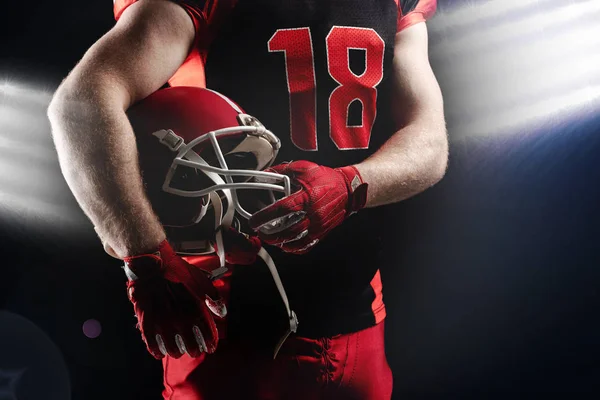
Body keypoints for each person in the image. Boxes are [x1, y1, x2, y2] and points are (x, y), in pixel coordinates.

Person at [48, 0, 447, 398]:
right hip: (228, 329)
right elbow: (83, 103)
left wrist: (351, 185)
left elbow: (428, 139)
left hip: (357, 316)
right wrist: (146, 255)